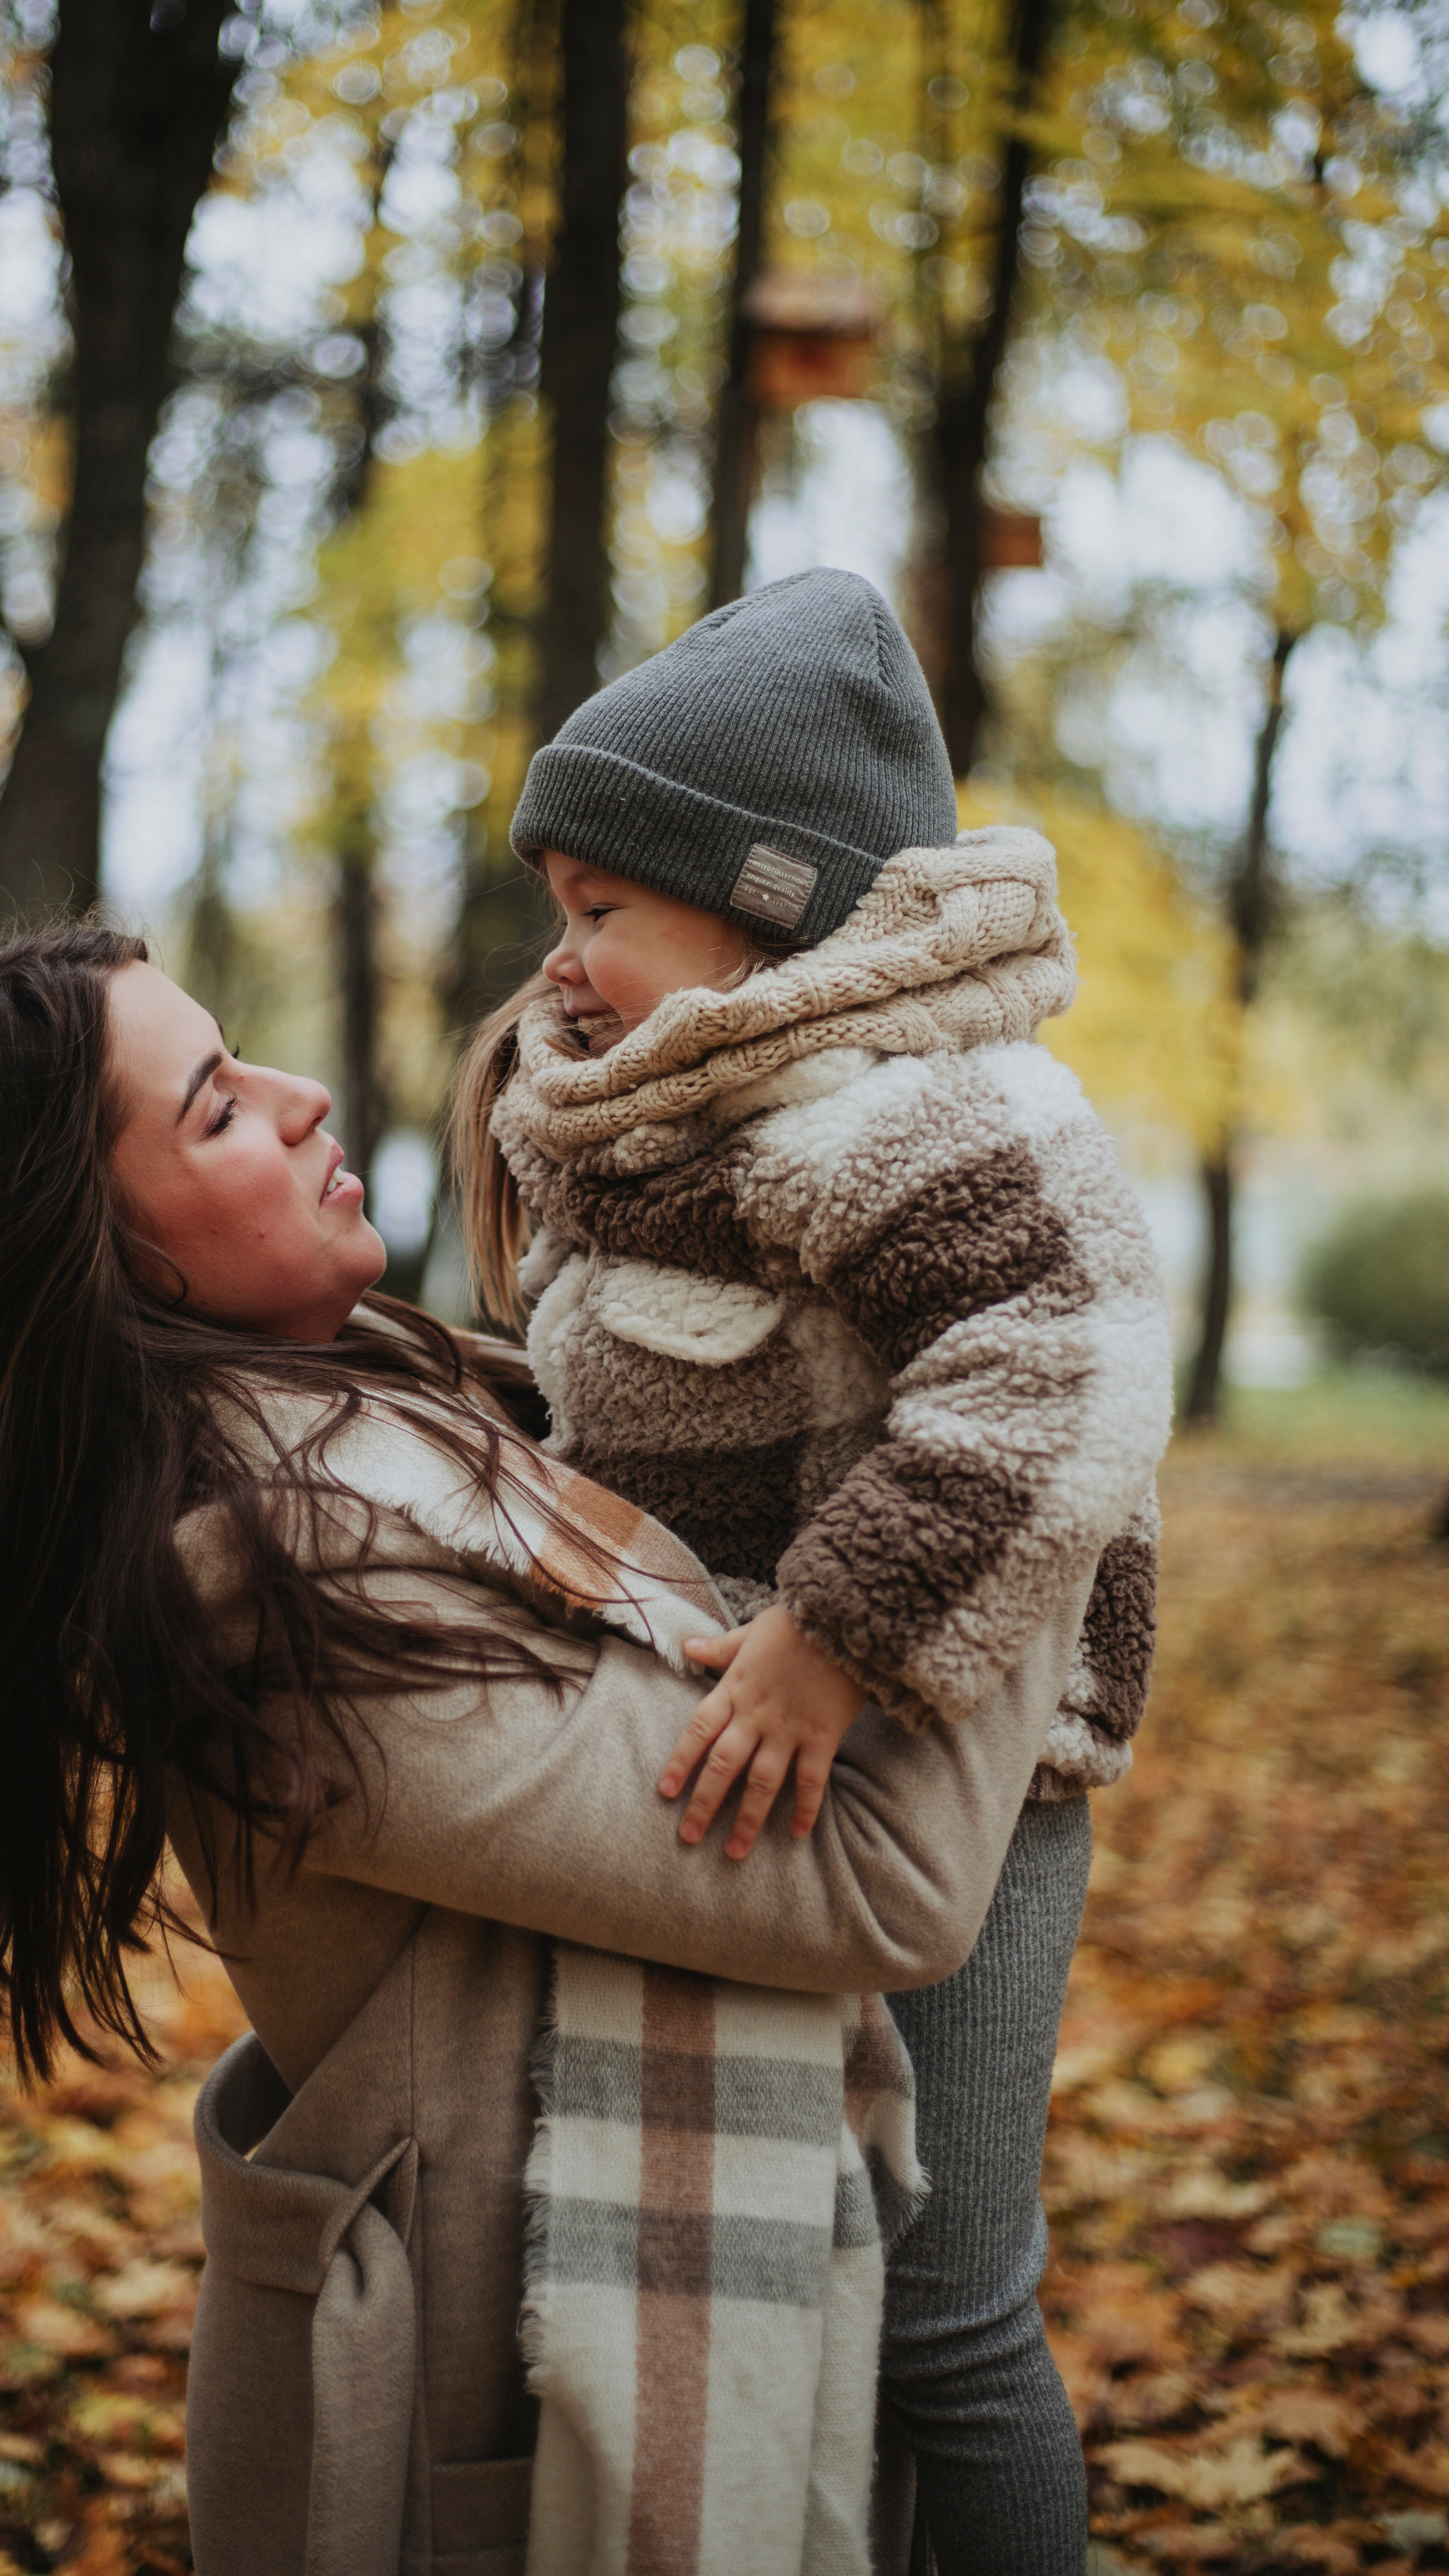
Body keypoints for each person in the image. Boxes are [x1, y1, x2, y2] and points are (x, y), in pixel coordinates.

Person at [0, 926, 1100, 2576]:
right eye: (217, 1109)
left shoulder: (385, 1411)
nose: (300, 1097)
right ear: (102, 1262)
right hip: (519, 2432)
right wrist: (1033, 1426)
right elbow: (875, 1877)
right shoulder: (280, 1593)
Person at [454, 567, 1174, 2576]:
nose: (561, 963)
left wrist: (838, 1633)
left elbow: (1065, 1361)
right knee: (795, 2273)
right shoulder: (670, 1120)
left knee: (944, 2305)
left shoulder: (921, 1109)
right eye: (556, 910)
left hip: (962, 1781)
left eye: (600, 908)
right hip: (761, 1770)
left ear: (763, 901)